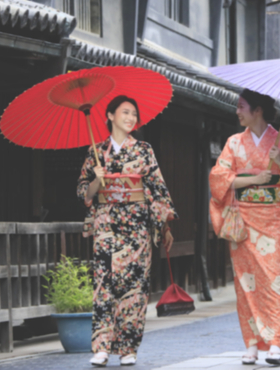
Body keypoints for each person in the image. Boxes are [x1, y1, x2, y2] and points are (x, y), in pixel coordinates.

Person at [209, 89, 280, 366]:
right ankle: (251, 343)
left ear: (258, 110)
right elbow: (218, 178)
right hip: (243, 220)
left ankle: (275, 343)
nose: (237, 112)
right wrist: (252, 180)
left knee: (274, 281)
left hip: (273, 220)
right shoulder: (234, 142)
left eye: (241, 107)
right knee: (245, 283)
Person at [78, 95, 175, 367]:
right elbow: (84, 193)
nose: (131, 118)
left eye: (134, 113)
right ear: (110, 115)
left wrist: (164, 225)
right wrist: (98, 180)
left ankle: (128, 348)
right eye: (125, 112)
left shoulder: (144, 150)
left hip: (136, 229)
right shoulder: (95, 152)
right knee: (104, 288)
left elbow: (157, 189)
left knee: (134, 289)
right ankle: (102, 347)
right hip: (107, 228)